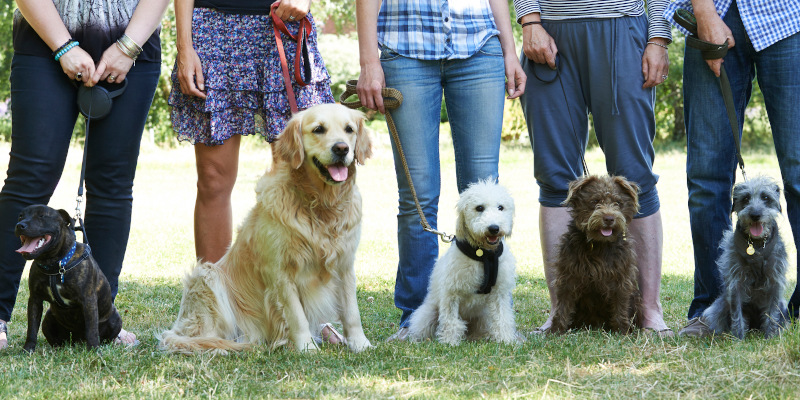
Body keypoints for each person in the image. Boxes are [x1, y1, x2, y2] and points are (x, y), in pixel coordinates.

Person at [168, 0, 344, 343]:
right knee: (214, 180)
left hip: (281, 22)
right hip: (213, 28)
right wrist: (185, 46)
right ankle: (220, 307)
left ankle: (312, 313)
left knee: (299, 177)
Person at [0, 0, 168, 349]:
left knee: (112, 182)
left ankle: (103, 320)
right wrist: (63, 46)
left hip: (133, 44)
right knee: (29, 177)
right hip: (44, 35)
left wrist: (127, 46)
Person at [356, 0, 526, 341]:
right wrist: (369, 60)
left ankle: (494, 319)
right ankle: (416, 318)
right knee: (417, 197)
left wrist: (510, 50)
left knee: (485, 192)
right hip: (405, 46)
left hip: (479, 45)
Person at [513, 0, 673, 335]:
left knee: (635, 175)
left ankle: (649, 311)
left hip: (620, 26)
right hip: (548, 29)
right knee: (555, 177)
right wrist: (529, 20)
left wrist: (658, 39)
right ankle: (561, 312)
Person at [663, 0, 800, 336]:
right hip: (716, 10)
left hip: (788, 16)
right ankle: (713, 309)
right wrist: (705, 13)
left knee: (799, 172)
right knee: (707, 177)